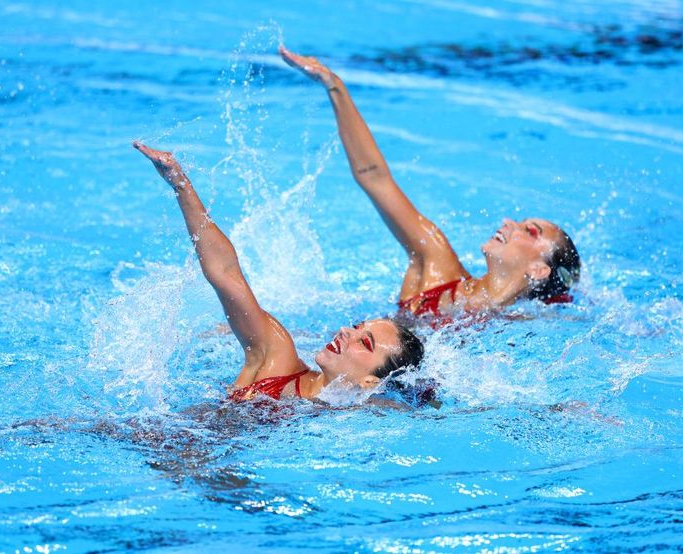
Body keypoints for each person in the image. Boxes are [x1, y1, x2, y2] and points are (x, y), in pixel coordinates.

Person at [279, 46, 581, 323]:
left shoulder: (523, 325)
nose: (508, 222)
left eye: (530, 231)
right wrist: (334, 86)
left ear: (538, 271)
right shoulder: (436, 266)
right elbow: (373, 176)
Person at [133, 142, 424, 402]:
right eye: (357, 326)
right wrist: (181, 184)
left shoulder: (363, 417)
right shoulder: (276, 357)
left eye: (364, 342)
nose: (346, 331)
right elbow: (226, 273)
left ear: (370, 382)